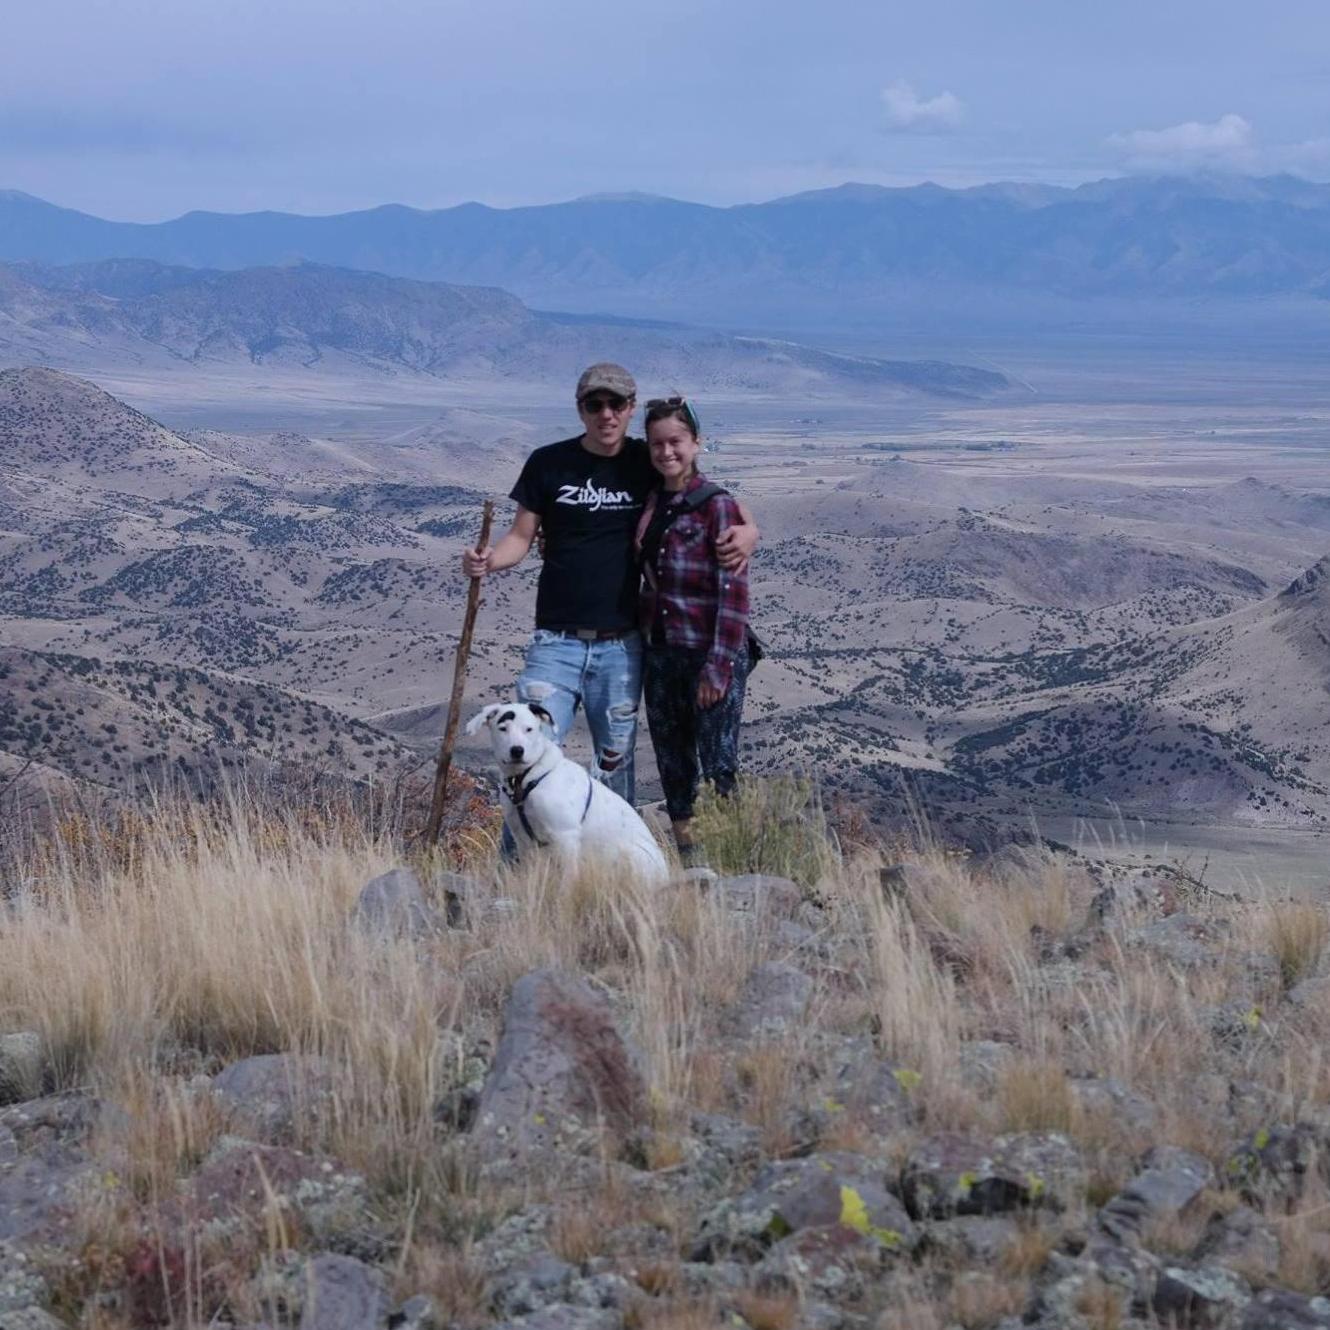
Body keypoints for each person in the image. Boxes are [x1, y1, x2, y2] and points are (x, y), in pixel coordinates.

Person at [461, 364, 757, 809]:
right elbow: (520, 538)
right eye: (594, 404)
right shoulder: (548, 463)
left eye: (616, 404)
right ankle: (521, 868)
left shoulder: (645, 460)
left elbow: (703, 493)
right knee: (530, 755)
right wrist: (488, 561)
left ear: (630, 408)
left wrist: (750, 529)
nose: (606, 414)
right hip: (555, 640)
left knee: (614, 764)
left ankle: (615, 865)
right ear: (580, 409)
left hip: (621, 644)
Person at [635, 396, 751, 865]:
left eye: (676, 441)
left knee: (718, 766)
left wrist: (718, 668)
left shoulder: (717, 506)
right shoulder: (649, 500)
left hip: (709, 654)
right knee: (674, 767)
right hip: (661, 654)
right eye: (658, 443)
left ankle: (733, 865)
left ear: (696, 442)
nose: (667, 452)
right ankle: (693, 867)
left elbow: (734, 593)